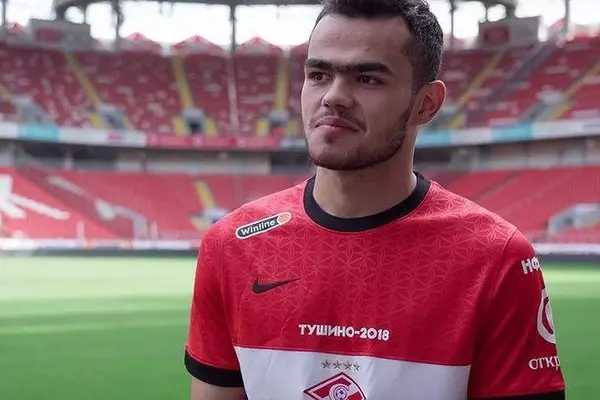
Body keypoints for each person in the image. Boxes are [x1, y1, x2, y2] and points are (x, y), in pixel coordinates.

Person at [183, 0, 566, 398]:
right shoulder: (231, 246)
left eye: (367, 79)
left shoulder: (495, 258)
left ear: (427, 104)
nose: (333, 96)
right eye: (319, 75)